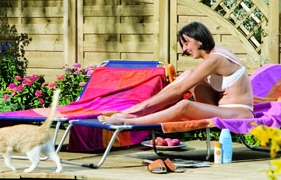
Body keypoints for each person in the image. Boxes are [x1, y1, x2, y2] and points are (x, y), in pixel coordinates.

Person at [98, 22, 254, 125]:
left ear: (199, 40)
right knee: (187, 74)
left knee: (185, 105)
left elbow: (179, 90)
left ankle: (131, 120)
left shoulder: (216, 59)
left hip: (237, 113)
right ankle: (138, 112)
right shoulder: (215, 52)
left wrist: (140, 107)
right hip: (221, 107)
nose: (184, 49)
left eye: (186, 43)